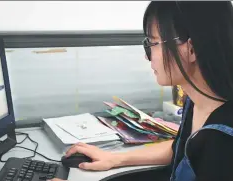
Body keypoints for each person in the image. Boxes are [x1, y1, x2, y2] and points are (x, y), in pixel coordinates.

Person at [50, 2, 233, 181]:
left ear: (191, 49)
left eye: (153, 44)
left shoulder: (223, 140)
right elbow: (180, 148)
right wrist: (114, 158)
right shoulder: (197, 101)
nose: (147, 56)